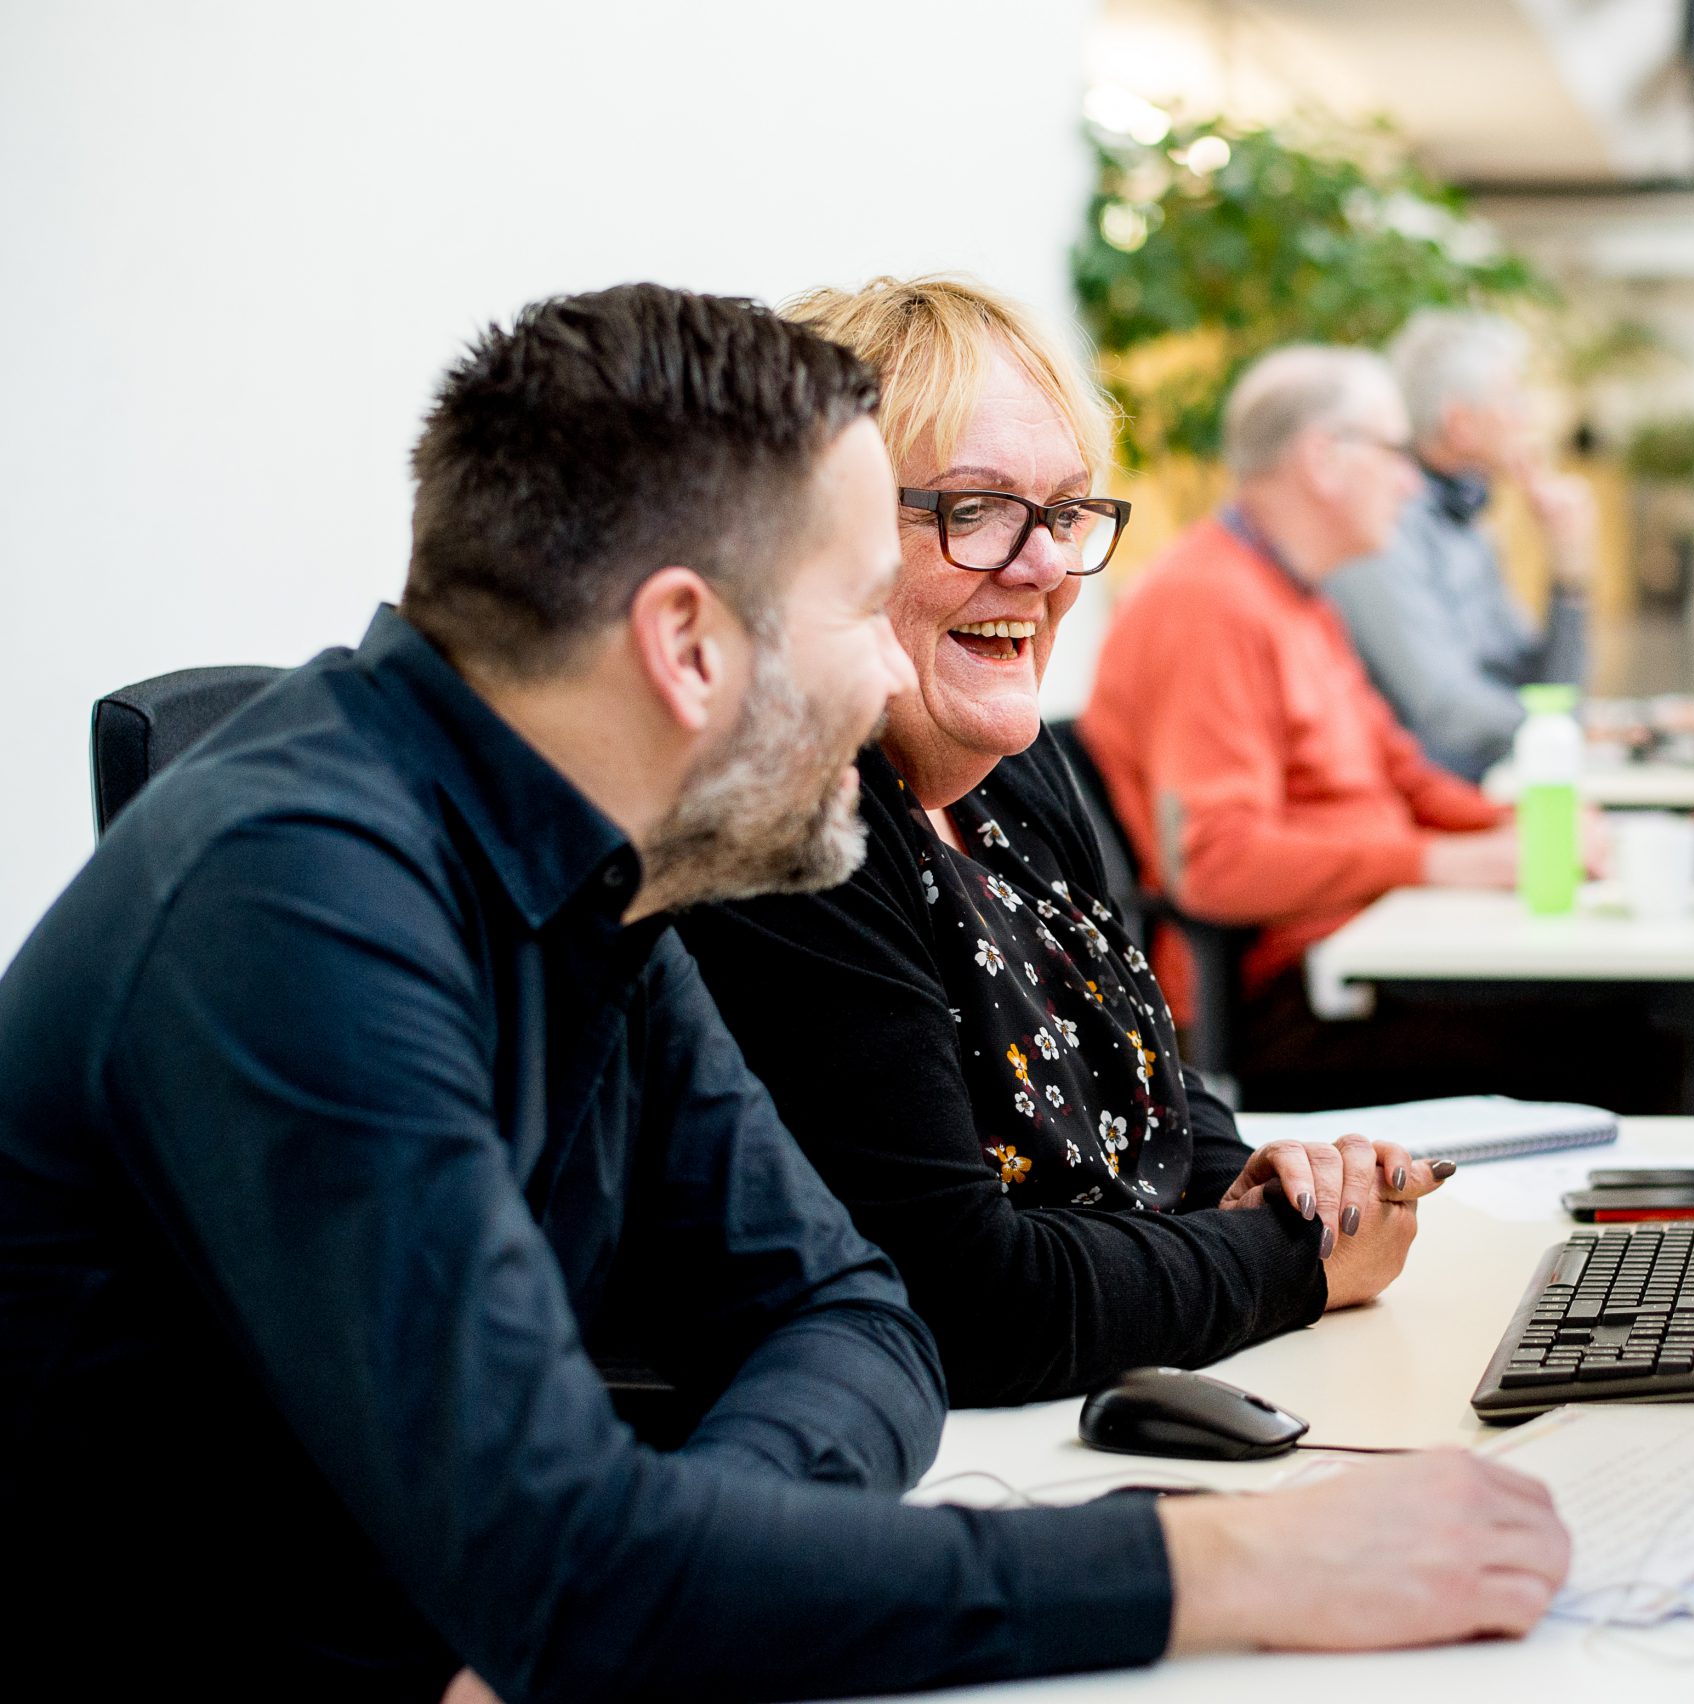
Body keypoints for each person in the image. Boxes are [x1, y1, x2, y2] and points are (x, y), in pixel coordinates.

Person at [0, 284, 1568, 1700]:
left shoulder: (604, 865)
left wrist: (666, 1558)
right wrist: (1229, 1567)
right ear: (687, 643)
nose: (892, 677)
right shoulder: (300, 903)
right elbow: (578, 1567)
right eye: (854, 604)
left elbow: (851, 1312)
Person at [677, 278, 1446, 1408]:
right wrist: (1300, 1259)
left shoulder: (1009, 762)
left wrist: (1278, 1184)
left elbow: (1144, 1082)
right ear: (816, 538)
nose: (1040, 569)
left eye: (1067, 511)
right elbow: (969, 1301)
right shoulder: (793, 824)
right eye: (974, 509)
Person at [1082, 346, 1650, 1112]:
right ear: (1324, 459)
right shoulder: (1207, 606)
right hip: (1290, 1002)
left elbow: (1403, 774)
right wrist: (1443, 862)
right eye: (1394, 453)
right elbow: (1217, 863)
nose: (1413, 481)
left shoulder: (1301, 597)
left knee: (1616, 1002)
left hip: (1362, 950)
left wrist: (1526, 829)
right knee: (1624, 1034)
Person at [1324, 311, 1596, 782]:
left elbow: (1546, 688)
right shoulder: (1385, 529)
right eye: (1512, 400)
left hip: (1483, 788)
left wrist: (1569, 567)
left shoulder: (1470, 524)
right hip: (1417, 805)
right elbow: (1448, 712)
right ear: (1460, 425)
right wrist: (1559, 732)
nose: (1527, 417)